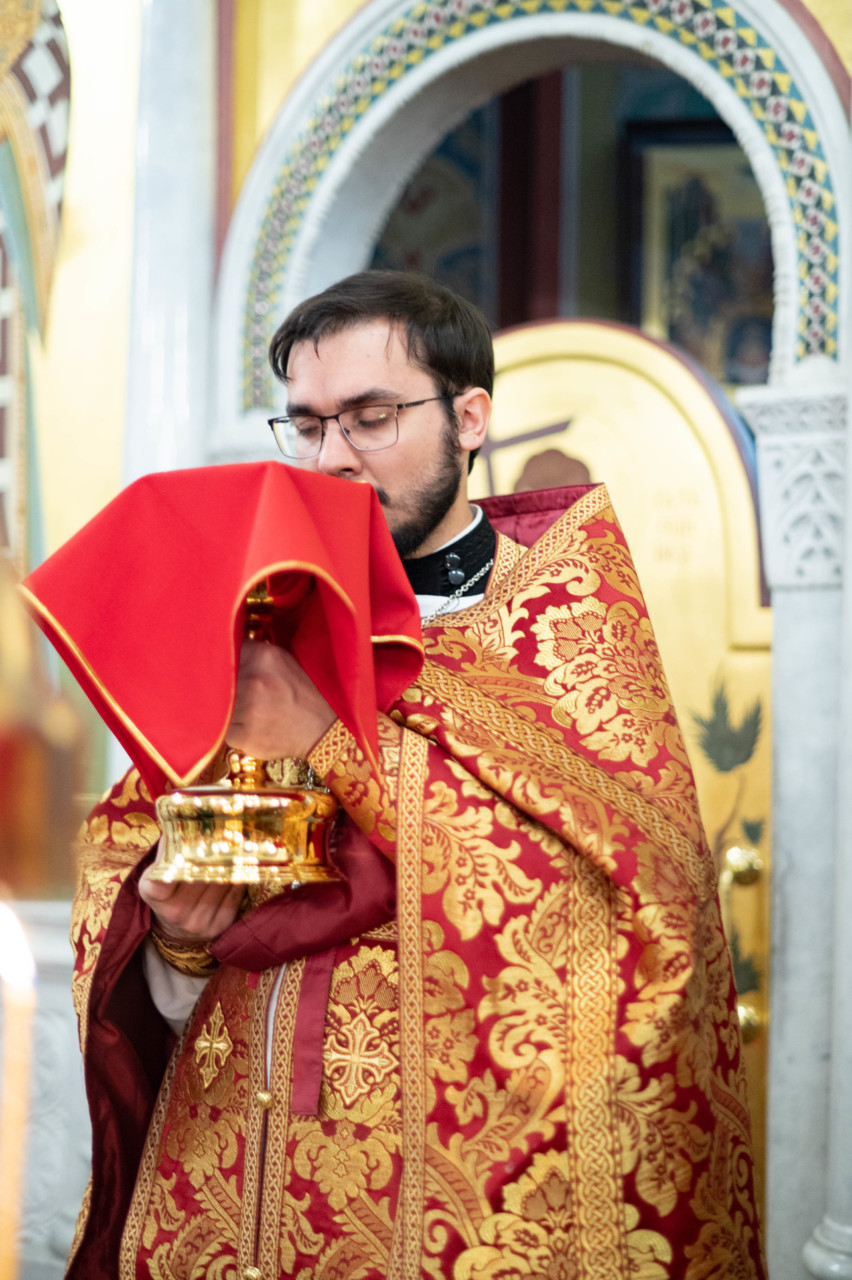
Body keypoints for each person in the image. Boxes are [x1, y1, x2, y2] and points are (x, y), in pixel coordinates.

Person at [67, 270, 766, 1279]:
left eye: (371, 418)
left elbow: (629, 915)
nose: (332, 459)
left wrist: (327, 741)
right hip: (240, 1195)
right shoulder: (263, 625)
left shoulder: (564, 625)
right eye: (308, 425)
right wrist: (175, 938)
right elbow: (157, 917)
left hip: (466, 1212)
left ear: (469, 418)